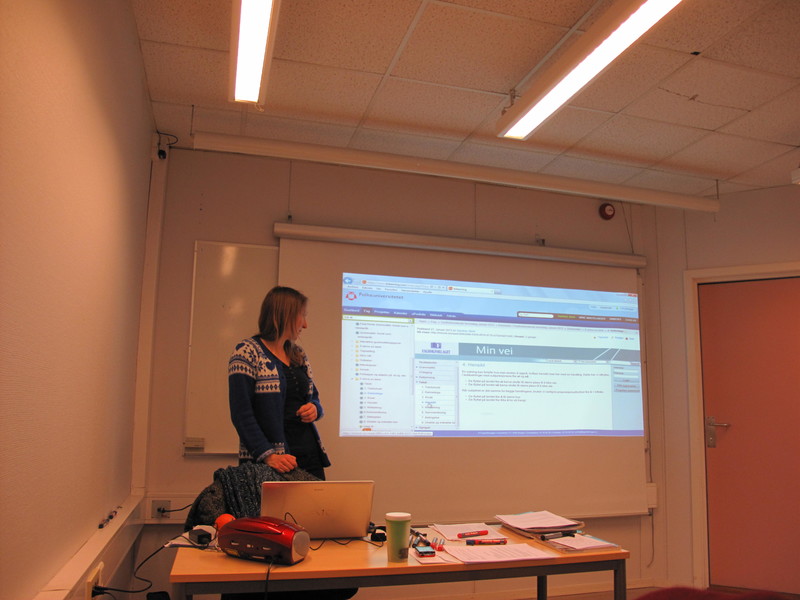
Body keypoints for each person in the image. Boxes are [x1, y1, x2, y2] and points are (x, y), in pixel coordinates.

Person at [228, 286, 331, 479]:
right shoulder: (247, 352)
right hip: (273, 463)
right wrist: (268, 455)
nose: (305, 325)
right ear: (286, 315)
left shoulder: (297, 354)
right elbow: (241, 414)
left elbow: (314, 398)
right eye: (303, 316)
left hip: (310, 456)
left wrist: (314, 409)